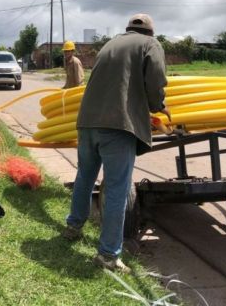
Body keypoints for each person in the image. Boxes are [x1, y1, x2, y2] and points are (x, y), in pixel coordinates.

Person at [62, 14, 171, 273]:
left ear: (128, 28)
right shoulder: (150, 44)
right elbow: (155, 79)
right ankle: (109, 255)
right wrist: (159, 106)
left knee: (85, 176)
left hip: (88, 122)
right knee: (116, 189)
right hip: (117, 125)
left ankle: (73, 227)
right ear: (150, 32)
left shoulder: (111, 44)